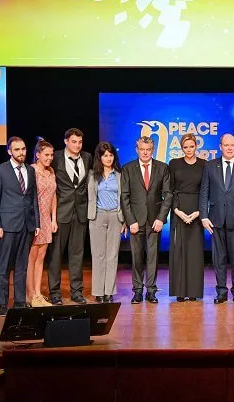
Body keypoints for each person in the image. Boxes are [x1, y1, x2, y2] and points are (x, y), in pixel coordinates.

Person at [199, 133, 234, 304]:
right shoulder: (210, 166)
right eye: (226, 145)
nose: (229, 148)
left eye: (232, 145)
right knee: (219, 259)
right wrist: (203, 216)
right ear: (220, 147)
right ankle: (221, 292)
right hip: (216, 220)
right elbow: (204, 192)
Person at [121, 136, 172, 304]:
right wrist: (130, 220)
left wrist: (160, 218)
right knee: (136, 257)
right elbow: (124, 196)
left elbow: (168, 195)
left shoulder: (162, 168)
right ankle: (137, 291)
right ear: (137, 150)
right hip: (135, 221)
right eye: (142, 149)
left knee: (152, 257)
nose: (145, 152)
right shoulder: (127, 168)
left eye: (148, 149)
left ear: (153, 150)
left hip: (154, 221)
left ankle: (151, 291)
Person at [0, 137, 40, 316]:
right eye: (17, 150)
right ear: (9, 151)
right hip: (7, 225)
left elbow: (33, 198)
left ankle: (20, 301)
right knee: (5, 266)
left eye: (23, 149)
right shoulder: (0, 171)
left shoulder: (30, 170)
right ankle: (3, 303)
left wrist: (36, 223)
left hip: (27, 225)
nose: (21, 153)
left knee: (22, 265)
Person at [49, 128, 92, 305]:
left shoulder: (87, 158)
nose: (77, 145)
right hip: (61, 213)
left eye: (80, 142)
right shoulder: (56, 157)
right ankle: (55, 293)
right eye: (74, 142)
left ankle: (76, 292)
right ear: (66, 141)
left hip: (80, 212)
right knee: (56, 255)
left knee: (77, 254)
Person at [168, 134, 206, 302]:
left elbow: (206, 191)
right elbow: (170, 190)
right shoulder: (174, 163)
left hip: (197, 212)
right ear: (181, 148)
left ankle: (193, 292)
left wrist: (199, 212)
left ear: (196, 146)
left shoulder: (204, 165)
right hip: (179, 210)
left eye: (191, 146)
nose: (189, 150)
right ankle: (180, 292)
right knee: (179, 251)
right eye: (185, 147)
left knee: (194, 252)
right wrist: (177, 211)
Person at [87, 142, 125, 303]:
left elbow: (124, 199)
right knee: (98, 255)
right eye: (105, 155)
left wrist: (124, 221)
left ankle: (109, 291)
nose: (108, 158)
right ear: (99, 157)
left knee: (112, 255)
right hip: (98, 216)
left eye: (110, 155)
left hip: (116, 217)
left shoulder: (120, 175)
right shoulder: (92, 175)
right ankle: (98, 291)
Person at [26, 139, 56, 307]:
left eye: (51, 155)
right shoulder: (31, 170)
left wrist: (54, 218)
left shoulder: (51, 171)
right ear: (38, 155)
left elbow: (54, 196)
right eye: (46, 155)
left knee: (41, 257)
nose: (50, 158)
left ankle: (38, 293)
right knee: (32, 257)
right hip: (34, 219)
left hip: (46, 219)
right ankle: (30, 295)